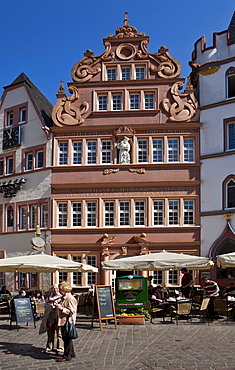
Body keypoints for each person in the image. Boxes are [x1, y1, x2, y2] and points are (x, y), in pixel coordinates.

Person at [55, 281, 77, 362]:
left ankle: (67, 355)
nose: (59, 291)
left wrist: (61, 308)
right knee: (67, 338)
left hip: (67, 321)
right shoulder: (64, 297)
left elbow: (72, 311)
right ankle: (71, 353)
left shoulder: (70, 298)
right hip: (63, 320)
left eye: (60, 289)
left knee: (66, 338)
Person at [39, 284, 64, 354]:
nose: (55, 290)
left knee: (59, 333)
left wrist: (55, 307)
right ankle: (49, 347)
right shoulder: (49, 297)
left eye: (56, 288)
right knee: (50, 332)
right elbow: (46, 305)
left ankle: (60, 348)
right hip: (50, 317)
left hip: (58, 317)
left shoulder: (61, 297)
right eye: (53, 288)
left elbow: (62, 306)